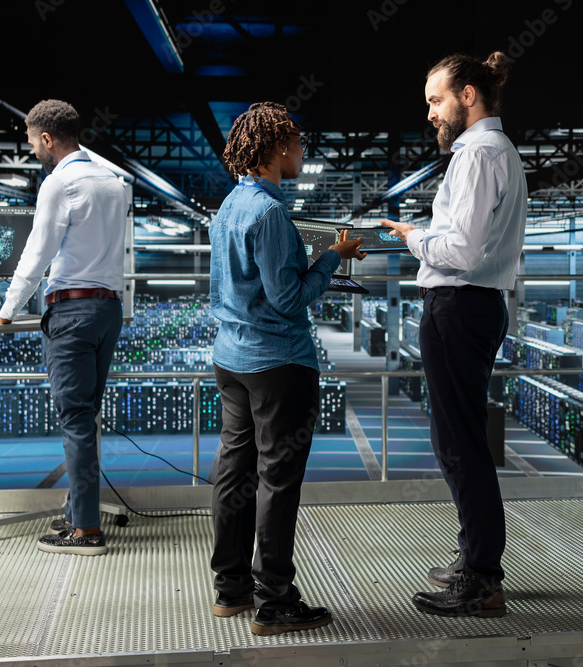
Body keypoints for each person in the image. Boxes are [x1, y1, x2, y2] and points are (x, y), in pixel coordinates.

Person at [209, 101, 366, 635]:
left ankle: (230, 590)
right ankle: (275, 600)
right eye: (299, 144)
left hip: (231, 358)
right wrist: (332, 258)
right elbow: (288, 299)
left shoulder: (229, 206)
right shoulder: (272, 213)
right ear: (278, 149)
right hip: (278, 364)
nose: (303, 152)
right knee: (277, 479)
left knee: (235, 470)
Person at [382, 52, 527, 617]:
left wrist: (413, 236)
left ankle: (483, 579)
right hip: (475, 307)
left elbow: (461, 252)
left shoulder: (476, 155)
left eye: (436, 101)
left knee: (461, 445)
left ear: (469, 95)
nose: (431, 114)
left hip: (458, 306)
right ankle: (475, 560)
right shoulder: (500, 151)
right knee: (462, 441)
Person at [0, 99, 126, 556]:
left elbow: (37, 255)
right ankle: (80, 513)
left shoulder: (59, 183)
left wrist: (5, 310)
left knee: (76, 421)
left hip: (73, 314)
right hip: (108, 311)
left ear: (46, 139)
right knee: (86, 417)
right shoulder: (114, 182)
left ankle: (86, 532)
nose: (29, 149)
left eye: (29, 140)